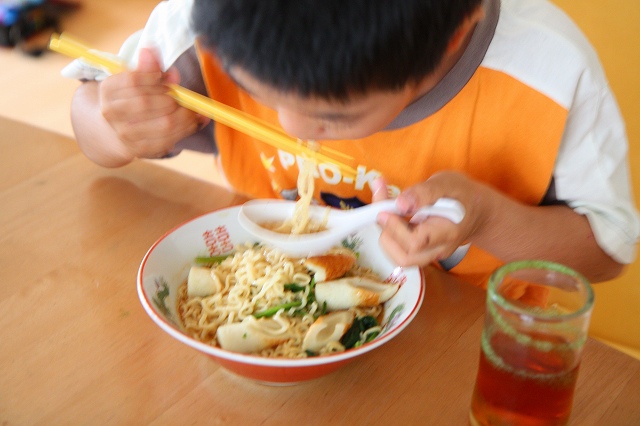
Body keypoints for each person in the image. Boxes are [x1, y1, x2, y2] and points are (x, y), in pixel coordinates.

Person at [63, 0, 640, 288]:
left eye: (331, 115)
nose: (289, 127)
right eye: (247, 85)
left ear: (453, 37)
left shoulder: (548, 74)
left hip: (465, 346)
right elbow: (89, 116)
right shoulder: (210, 26)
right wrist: (115, 126)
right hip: (267, 293)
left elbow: (607, 253)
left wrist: (487, 219)